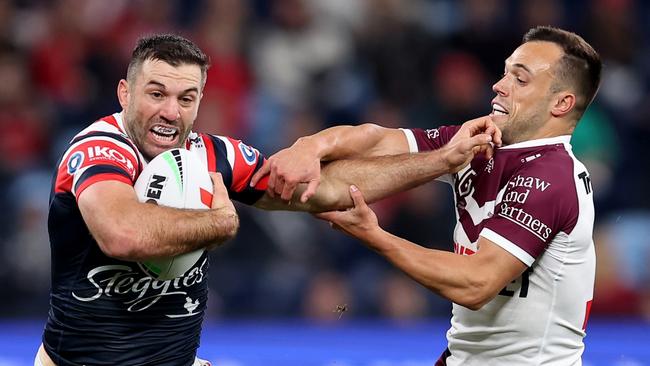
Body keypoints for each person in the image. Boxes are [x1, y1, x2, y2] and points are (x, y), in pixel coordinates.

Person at [37, 34, 498, 366]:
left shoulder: (215, 153)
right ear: (125, 92)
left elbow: (328, 192)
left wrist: (442, 161)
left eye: (186, 97)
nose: (170, 112)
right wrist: (220, 222)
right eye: (155, 94)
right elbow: (122, 234)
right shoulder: (98, 150)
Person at [253, 26, 602, 365]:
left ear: (561, 103)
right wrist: (311, 146)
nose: (499, 86)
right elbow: (377, 141)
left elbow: (476, 284)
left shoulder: (552, 175)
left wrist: (374, 236)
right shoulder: (480, 142)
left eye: (520, 79)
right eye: (505, 73)